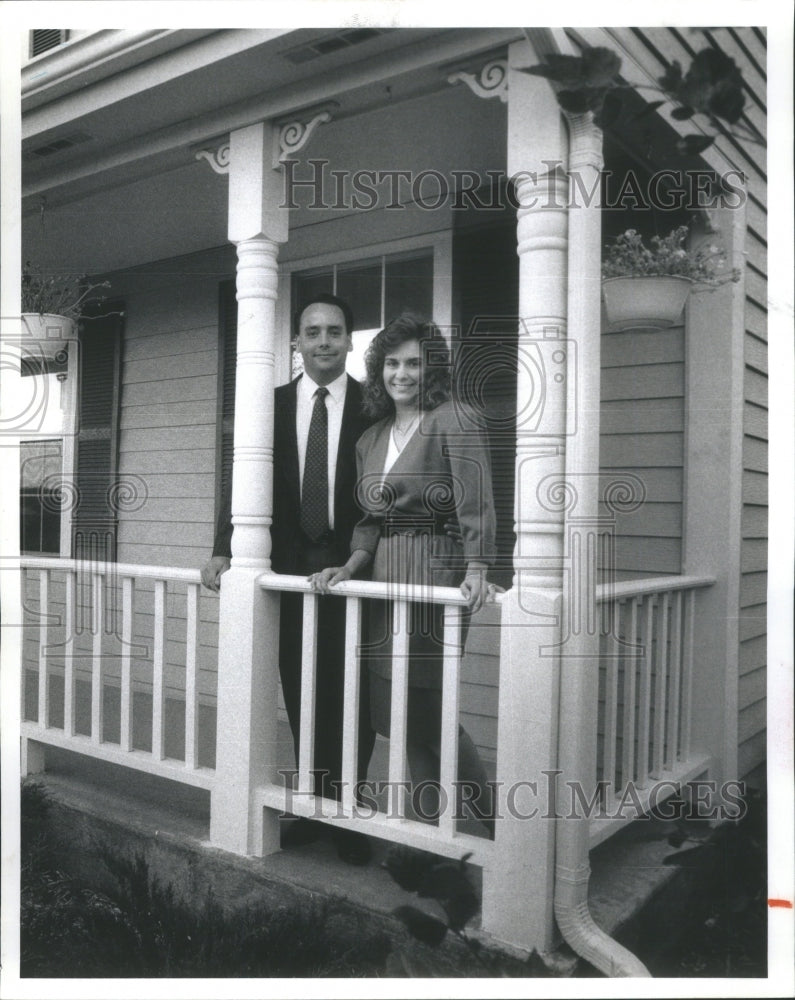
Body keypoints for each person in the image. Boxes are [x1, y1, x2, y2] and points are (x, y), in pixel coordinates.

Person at [201, 292, 376, 864]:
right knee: (301, 687)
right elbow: (244, 480)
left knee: (351, 694)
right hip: (290, 567)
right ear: (295, 342)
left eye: (334, 331)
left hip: (355, 565)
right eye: (312, 331)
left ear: (350, 340)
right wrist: (225, 548)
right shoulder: (268, 404)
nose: (324, 341)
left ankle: (348, 814)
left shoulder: (375, 407)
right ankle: (312, 804)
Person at [310, 312, 497, 835]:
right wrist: (348, 566)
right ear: (379, 369)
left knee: (433, 712)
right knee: (401, 718)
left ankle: (502, 833)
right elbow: (369, 522)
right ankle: (434, 836)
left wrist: (479, 566)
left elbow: (475, 501)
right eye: (392, 363)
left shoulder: (454, 419)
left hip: (435, 574)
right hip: (381, 583)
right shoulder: (370, 439)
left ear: (430, 367)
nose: (402, 374)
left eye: (414, 363)